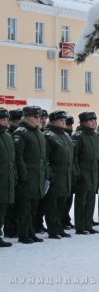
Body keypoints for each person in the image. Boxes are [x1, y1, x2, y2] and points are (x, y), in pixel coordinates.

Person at [13, 106, 47, 244]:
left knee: (34, 206)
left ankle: (31, 232)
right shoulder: (21, 133)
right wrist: (23, 174)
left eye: (39, 117)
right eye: (35, 117)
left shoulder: (38, 132)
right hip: (28, 172)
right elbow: (18, 156)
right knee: (25, 207)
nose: (38, 119)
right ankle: (23, 234)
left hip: (38, 173)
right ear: (26, 117)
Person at [43, 110, 74, 239]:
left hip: (65, 173)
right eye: (61, 120)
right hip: (55, 173)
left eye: (64, 120)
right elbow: (45, 158)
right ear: (53, 121)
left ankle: (60, 226)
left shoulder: (65, 135)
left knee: (62, 202)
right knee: (52, 203)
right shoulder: (48, 135)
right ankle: (53, 229)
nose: (63, 122)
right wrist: (49, 174)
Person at [72, 111, 99, 235]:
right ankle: (80, 226)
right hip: (83, 170)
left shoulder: (94, 136)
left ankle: (88, 223)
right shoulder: (78, 136)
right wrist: (77, 172)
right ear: (84, 122)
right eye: (91, 121)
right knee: (81, 199)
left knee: (91, 198)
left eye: (94, 120)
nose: (94, 123)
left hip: (93, 170)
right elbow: (74, 157)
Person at [0, 108, 16, 247]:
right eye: (2, 119)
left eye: (6, 119)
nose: (4, 121)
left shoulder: (7, 135)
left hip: (7, 177)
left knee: (3, 207)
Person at [63, 115, 75, 230]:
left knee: (69, 198)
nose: (70, 127)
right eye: (68, 124)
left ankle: (66, 219)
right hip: (61, 172)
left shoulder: (68, 136)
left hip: (70, 172)